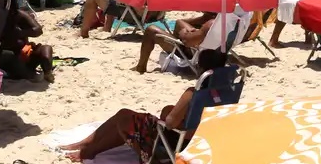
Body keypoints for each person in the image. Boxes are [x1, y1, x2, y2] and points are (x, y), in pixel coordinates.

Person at [63, 50, 229, 162]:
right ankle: (85, 144)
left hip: (174, 142)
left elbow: (170, 123)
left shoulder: (193, 93)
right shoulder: (227, 92)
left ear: (200, 68)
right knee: (125, 113)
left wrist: (166, 114)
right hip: (201, 140)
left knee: (125, 120)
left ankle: (87, 152)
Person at [0, 0, 54, 82]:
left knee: (46, 51)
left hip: (25, 53)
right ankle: (27, 74)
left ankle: (48, 72)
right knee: (9, 57)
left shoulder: (19, 15)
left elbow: (38, 30)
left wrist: (20, 33)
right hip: (7, 57)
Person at [134, 13, 216, 74]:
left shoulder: (210, 25)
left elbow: (188, 42)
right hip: (209, 52)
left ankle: (140, 67)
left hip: (195, 54)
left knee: (150, 30)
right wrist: (203, 19)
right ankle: (173, 51)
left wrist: (184, 33)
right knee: (179, 22)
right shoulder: (224, 24)